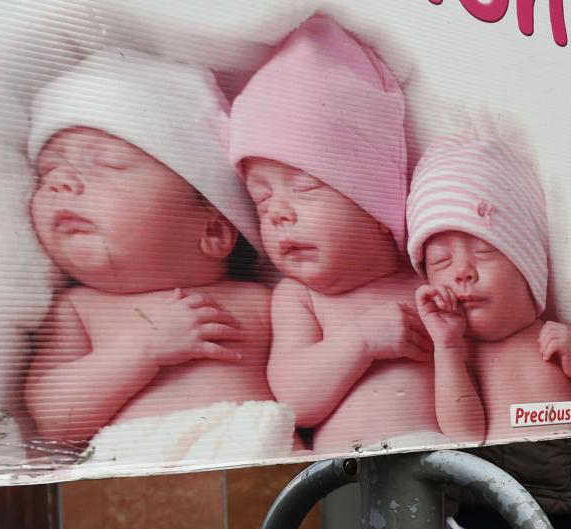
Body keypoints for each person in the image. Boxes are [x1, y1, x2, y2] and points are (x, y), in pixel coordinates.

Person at [22, 50, 289, 462]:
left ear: (213, 229)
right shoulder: (78, 308)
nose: (61, 182)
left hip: (258, 457)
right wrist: (142, 349)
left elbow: (308, 392)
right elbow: (55, 422)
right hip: (136, 475)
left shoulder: (264, 300)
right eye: (47, 174)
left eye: (106, 164)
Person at [230, 15, 437, 453]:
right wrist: (362, 340)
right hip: (344, 486)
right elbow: (296, 402)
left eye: (304, 186)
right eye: (262, 200)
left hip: (446, 473)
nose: (279, 213)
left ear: (377, 205)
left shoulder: (426, 283)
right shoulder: (299, 297)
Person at [409, 138, 571, 444]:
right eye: (441, 260)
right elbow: (465, 436)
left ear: (528, 264)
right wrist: (448, 348)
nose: (462, 272)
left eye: (483, 251)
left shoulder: (560, 336)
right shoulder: (458, 354)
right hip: (499, 486)